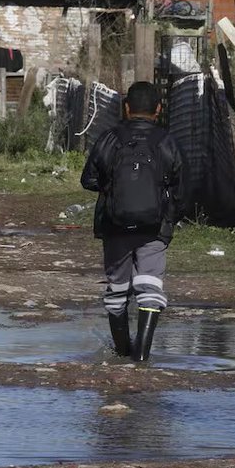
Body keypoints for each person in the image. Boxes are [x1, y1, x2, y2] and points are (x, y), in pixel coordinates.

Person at [80, 81, 184, 362]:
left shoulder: (109, 138)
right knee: (150, 288)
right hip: (155, 228)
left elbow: (88, 180)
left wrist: (114, 188)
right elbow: (179, 185)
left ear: (126, 108)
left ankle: (123, 352)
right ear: (159, 109)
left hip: (115, 226)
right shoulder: (167, 141)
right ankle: (141, 357)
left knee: (117, 289)